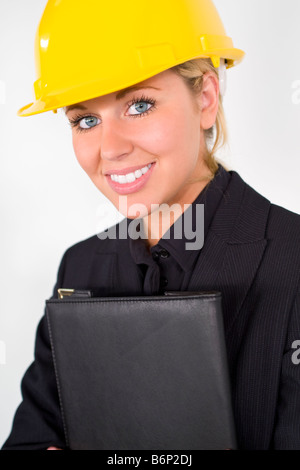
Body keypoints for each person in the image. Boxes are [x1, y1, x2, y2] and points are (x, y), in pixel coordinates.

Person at [2, 0, 300, 450]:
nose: (111, 148)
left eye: (139, 105)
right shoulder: (80, 269)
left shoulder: (292, 261)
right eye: (85, 119)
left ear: (205, 99)